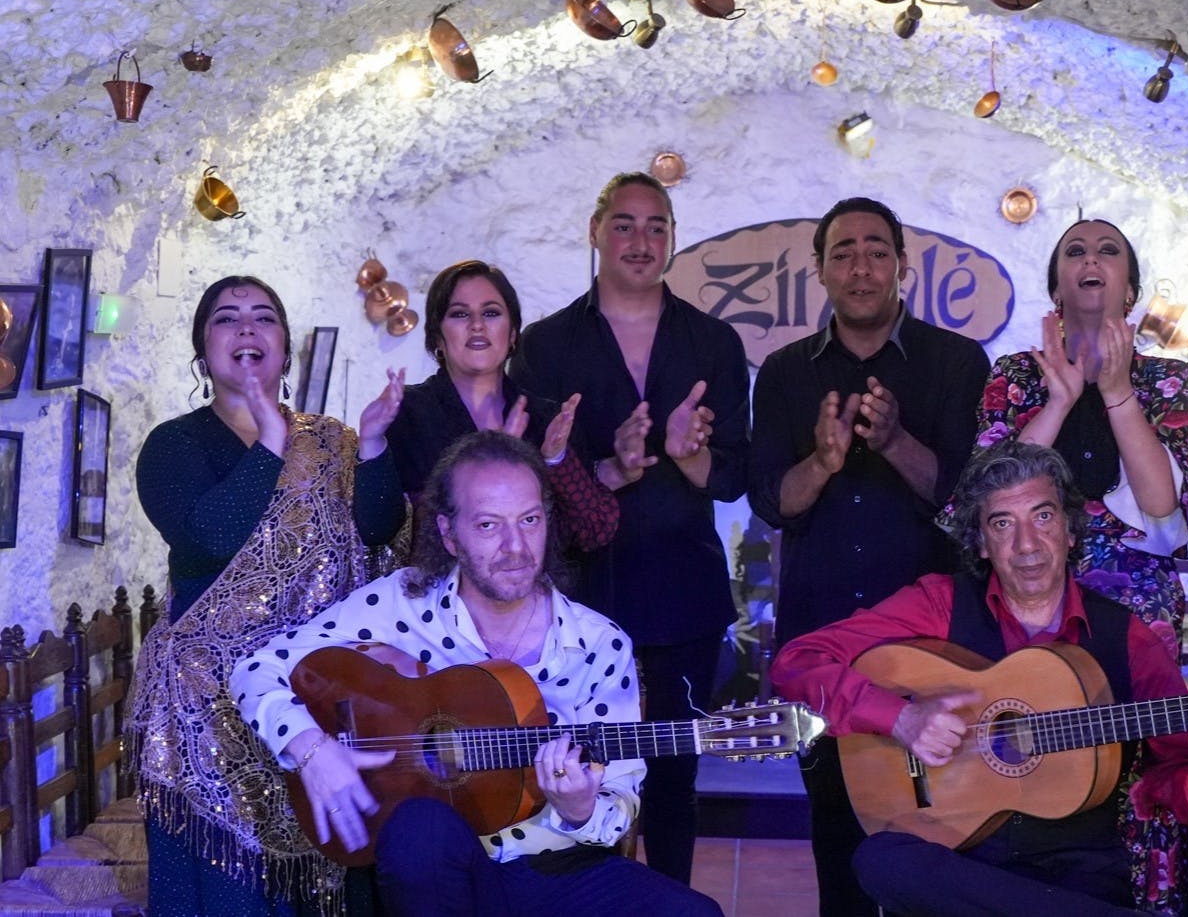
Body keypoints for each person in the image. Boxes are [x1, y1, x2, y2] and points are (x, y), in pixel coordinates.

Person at [230, 431, 723, 917]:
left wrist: (579, 809)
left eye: (529, 520)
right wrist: (312, 750)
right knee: (420, 828)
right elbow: (256, 668)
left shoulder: (597, 643)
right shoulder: (403, 602)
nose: (515, 546)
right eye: (488, 525)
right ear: (449, 533)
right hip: (443, 872)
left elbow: (619, 802)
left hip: (557, 869)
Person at [771, 441, 1188, 917]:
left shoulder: (1124, 638)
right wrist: (899, 717)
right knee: (881, 860)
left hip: (1075, 873)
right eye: (1003, 524)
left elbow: (1180, 782)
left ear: (1070, 530)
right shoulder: (938, 605)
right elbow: (798, 661)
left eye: (1043, 517)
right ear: (981, 543)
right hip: (957, 863)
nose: (1027, 545)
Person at [129, 275, 406, 916]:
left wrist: (372, 445)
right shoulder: (173, 445)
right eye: (227, 318)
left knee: (328, 861)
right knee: (234, 888)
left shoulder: (334, 439)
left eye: (264, 318)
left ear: (285, 348)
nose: (247, 328)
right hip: (205, 705)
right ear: (203, 352)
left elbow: (378, 530)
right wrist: (272, 441)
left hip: (315, 691)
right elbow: (209, 539)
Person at [748, 197, 989, 916]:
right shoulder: (787, 372)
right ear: (820, 269)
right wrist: (823, 462)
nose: (861, 266)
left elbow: (966, 499)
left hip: (931, 647)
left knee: (943, 831)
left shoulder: (955, 362)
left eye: (876, 250)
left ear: (901, 266)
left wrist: (891, 443)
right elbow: (770, 500)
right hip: (820, 643)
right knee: (835, 830)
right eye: (844, 252)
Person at [508, 172, 749, 884]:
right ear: (594, 231)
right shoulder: (547, 345)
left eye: (655, 226)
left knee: (674, 776)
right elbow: (533, 480)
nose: (640, 241)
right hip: (580, 595)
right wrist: (610, 465)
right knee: (573, 769)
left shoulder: (712, 341)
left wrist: (687, 454)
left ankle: (671, 902)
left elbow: (735, 477)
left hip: (684, 592)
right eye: (624, 224)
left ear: (672, 237)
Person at [968, 218, 1188, 912]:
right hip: (1029, 619)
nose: (1091, 259)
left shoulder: (1169, 381)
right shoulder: (1013, 378)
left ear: (1129, 286)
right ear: (1054, 285)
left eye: (1108, 251)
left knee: (1137, 782)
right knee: (1029, 770)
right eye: (1074, 250)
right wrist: (1061, 396)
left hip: (1135, 626)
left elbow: (1163, 511)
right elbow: (985, 495)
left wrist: (1112, 388)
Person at [385, 259, 618, 556]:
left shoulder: (548, 419)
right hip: (436, 597)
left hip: (533, 597)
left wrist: (555, 460)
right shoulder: (407, 414)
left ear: (512, 335)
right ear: (436, 338)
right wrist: (495, 460)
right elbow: (391, 534)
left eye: (491, 313)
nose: (477, 325)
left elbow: (592, 532)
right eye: (459, 314)